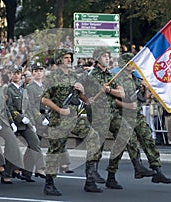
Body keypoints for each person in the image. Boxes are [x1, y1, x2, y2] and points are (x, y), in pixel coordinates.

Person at [87, 48, 155, 189]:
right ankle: (90, 177)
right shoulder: (92, 75)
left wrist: (109, 90)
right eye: (104, 56)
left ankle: (138, 166)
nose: (107, 58)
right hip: (99, 114)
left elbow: (121, 92)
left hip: (112, 114)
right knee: (96, 145)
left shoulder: (110, 75)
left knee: (127, 134)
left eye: (108, 56)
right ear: (97, 58)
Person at [42, 48, 103, 195]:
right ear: (59, 60)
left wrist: (83, 93)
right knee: (55, 150)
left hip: (74, 117)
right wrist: (60, 110)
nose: (69, 60)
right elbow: (44, 98)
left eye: (70, 57)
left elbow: (83, 98)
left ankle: (90, 179)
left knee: (94, 137)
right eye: (66, 58)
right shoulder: (52, 78)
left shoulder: (74, 76)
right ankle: (49, 183)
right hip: (59, 119)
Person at [113, 53, 171, 184]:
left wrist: (146, 88)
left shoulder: (136, 78)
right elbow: (114, 101)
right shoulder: (117, 78)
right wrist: (127, 105)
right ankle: (115, 175)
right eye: (130, 62)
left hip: (137, 115)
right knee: (127, 145)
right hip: (123, 116)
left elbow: (143, 98)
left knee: (148, 140)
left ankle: (157, 170)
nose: (133, 65)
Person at [6, 65, 45, 182]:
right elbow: (8, 108)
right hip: (14, 122)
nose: (16, 75)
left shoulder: (24, 90)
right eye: (14, 73)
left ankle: (40, 168)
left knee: (35, 142)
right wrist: (18, 118)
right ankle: (7, 173)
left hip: (25, 123)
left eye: (18, 73)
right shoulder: (8, 89)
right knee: (12, 148)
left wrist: (31, 122)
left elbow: (29, 108)